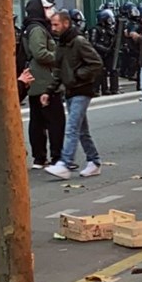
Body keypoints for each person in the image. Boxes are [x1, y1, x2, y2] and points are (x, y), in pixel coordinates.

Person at [43, 10, 104, 179]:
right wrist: (49, 90)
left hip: (81, 90)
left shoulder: (78, 42)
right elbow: (58, 70)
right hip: (71, 90)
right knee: (81, 129)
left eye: (56, 24)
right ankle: (94, 161)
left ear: (66, 23)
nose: (53, 28)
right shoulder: (62, 43)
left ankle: (65, 163)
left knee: (71, 128)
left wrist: (77, 76)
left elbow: (96, 63)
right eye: (52, 24)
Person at [23, 0, 65, 168]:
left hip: (36, 81)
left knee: (38, 121)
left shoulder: (30, 27)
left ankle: (39, 158)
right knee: (55, 121)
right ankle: (56, 157)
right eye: (47, 8)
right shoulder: (38, 30)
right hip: (45, 81)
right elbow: (40, 53)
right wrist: (59, 58)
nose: (51, 11)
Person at [90, 9, 119, 96]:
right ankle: (100, 89)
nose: (110, 21)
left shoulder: (111, 30)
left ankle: (114, 88)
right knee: (101, 72)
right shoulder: (96, 29)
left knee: (113, 69)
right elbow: (93, 43)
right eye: (109, 19)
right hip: (99, 54)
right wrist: (104, 49)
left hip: (108, 53)